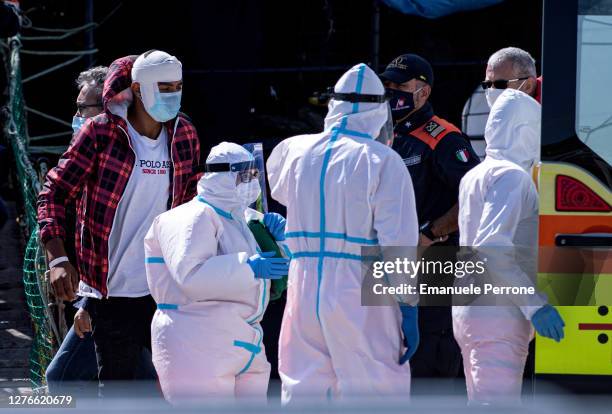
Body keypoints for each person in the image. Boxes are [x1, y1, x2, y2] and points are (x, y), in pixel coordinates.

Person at [37, 50, 200, 395]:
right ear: (138, 89)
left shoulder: (184, 135)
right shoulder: (101, 134)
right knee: (116, 391)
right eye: (164, 86)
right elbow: (53, 191)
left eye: (178, 86)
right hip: (113, 293)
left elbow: (190, 204)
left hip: (165, 290)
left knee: (172, 389)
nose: (172, 94)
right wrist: (58, 257)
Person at [267, 63, 420, 403]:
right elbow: (399, 245)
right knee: (376, 390)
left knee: (303, 388)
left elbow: (279, 190)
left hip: (304, 284)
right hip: (362, 286)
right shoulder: (383, 161)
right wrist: (409, 303)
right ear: (379, 109)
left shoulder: (294, 151)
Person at [144, 142, 289, 403]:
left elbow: (278, 275)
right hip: (196, 342)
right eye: (244, 176)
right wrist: (248, 266)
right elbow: (191, 276)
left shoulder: (244, 219)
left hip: (244, 339)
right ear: (221, 175)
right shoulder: (189, 217)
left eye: (254, 175)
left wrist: (281, 242)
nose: (251, 182)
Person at [45, 66, 157, 395]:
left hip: (117, 293)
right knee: (137, 375)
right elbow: (53, 195)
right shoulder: (88, 150)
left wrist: (90, 301)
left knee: (62, 378)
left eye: (84, 108)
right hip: (99, 292)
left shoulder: (129, 158)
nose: (77, 116)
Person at [453, 88, 565, 405]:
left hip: (472, 309)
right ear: (525, 130)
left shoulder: (475, 175)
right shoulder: (513, 177)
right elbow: (492, 247)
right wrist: (535, 305)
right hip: (498, 312)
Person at [380, 53, 479, 379]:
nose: (391, 90)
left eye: (400, 85)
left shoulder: (444, 138)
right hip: (393, 264)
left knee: (429, 365)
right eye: (388, 83)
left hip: (437, 263)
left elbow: (474, 197)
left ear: (423, 92)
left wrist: (430, 233)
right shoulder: (384, 136)